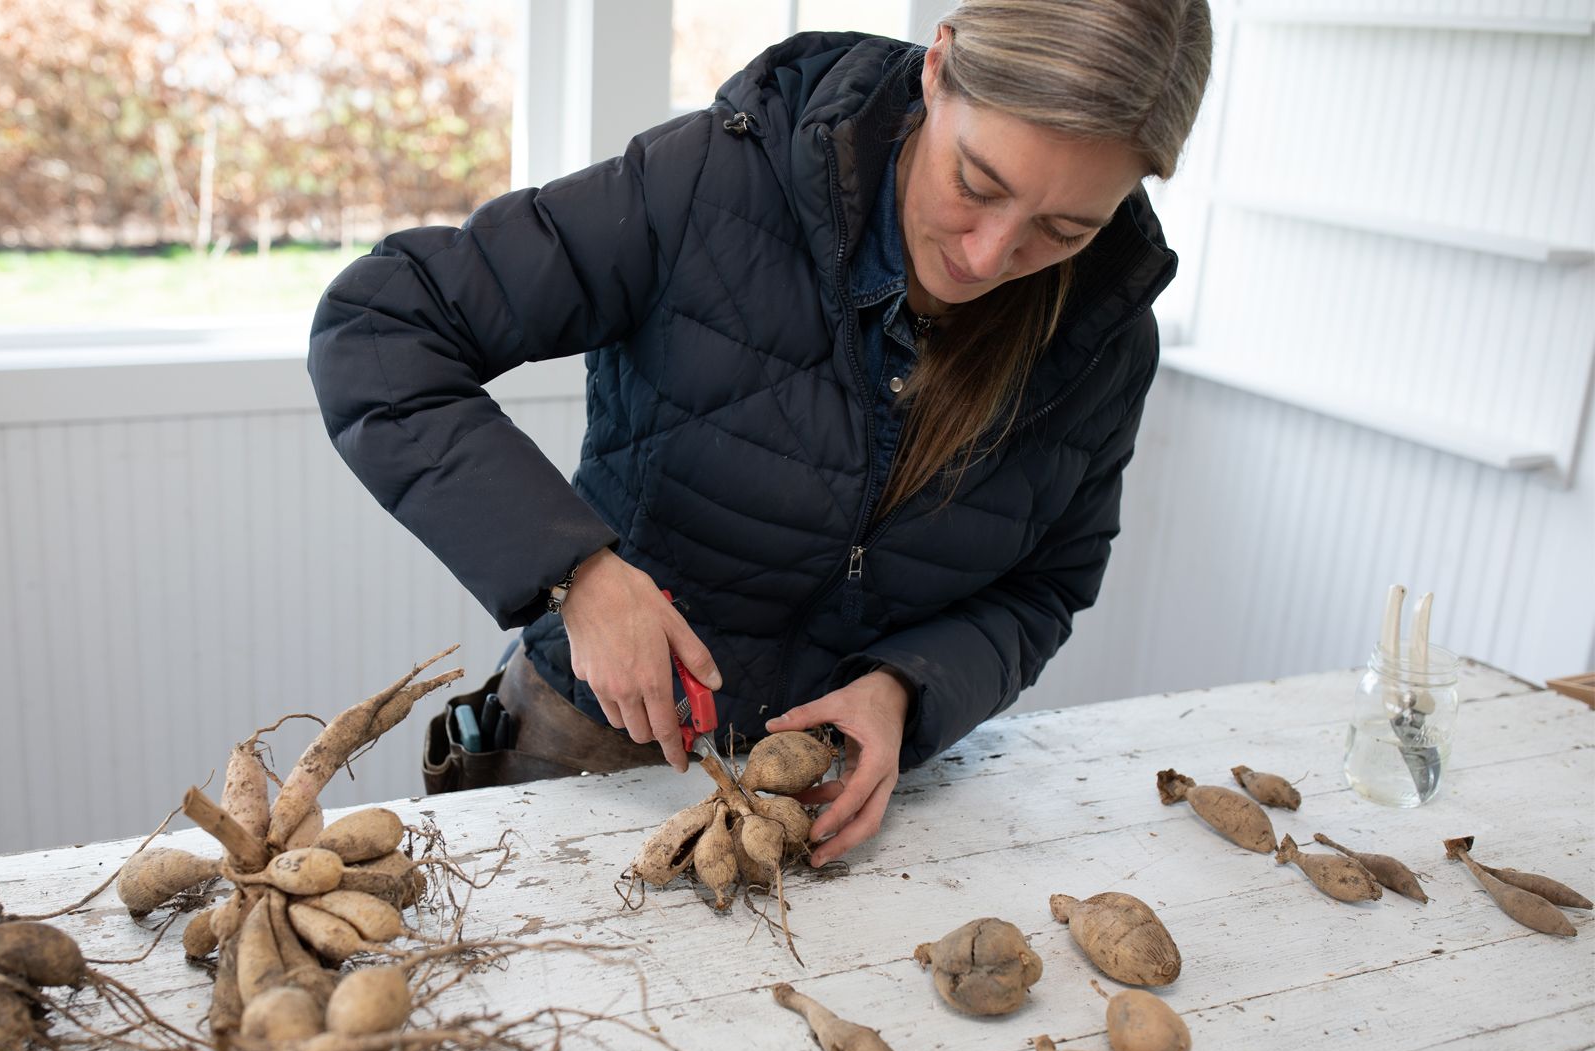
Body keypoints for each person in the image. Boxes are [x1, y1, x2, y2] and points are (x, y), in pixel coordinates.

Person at [310, 0, 1212, 866]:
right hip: (584, 754)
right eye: (975, 183)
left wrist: (906, 689)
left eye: (1062, 230)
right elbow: (378, 328)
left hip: (837, 806)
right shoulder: (709, 179)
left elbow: (1046, 586)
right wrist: (573, 572)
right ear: (937, 69)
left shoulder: (1107, 334)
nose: (987, 257)